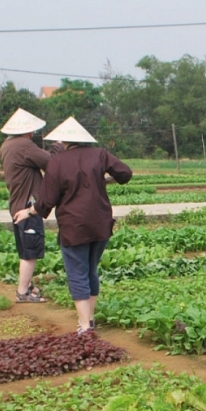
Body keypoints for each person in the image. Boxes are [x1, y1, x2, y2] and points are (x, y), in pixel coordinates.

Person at [36, 116, 132, 332]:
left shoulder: (57, 162)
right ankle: (89, 319)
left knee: (77, 273)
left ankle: (84, 324)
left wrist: (31, 210)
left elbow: (47, 200)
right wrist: (106, 179)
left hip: (74, 226)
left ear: (63, 141)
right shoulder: (100, 154)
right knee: (90, 270)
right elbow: (125, 172)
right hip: (100, 222)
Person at [0, 108, 52, 303]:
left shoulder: (7, 145)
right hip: (27, 206)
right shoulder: (24, 145)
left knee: (24, 248)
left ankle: (27, 286)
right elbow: (49, 161)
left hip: (16, 203)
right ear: (28, 131)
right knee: (30, 251)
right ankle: (23, 292)